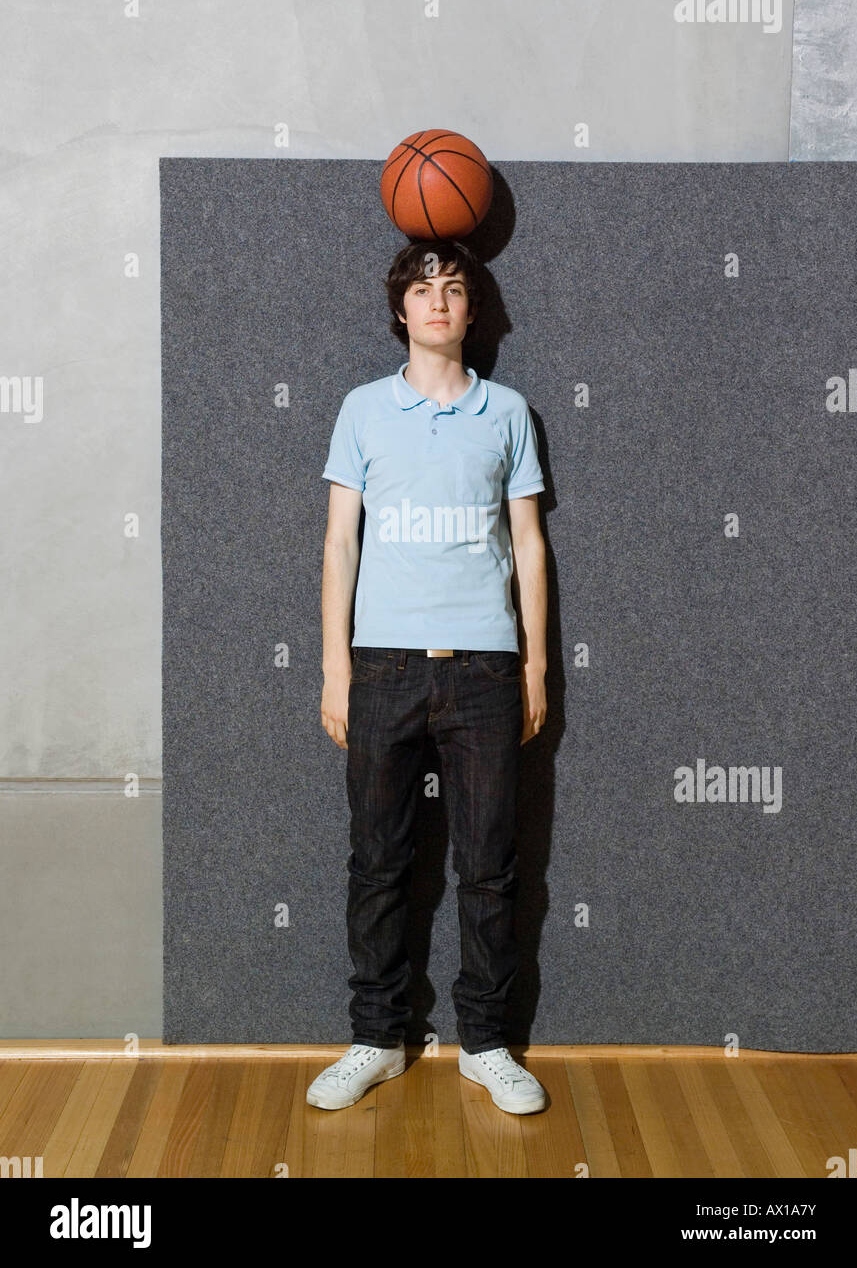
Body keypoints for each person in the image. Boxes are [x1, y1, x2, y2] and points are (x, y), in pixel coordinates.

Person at [309, 239, 548, 1115]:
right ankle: (375, 1036)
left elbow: (528, 544)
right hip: (380, 668)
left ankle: (486, 1044)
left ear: (472, 310)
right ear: (401, 310)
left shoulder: (509, 413)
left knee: (489, 866)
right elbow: (340, 541)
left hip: (485, 667)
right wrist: (336, 669)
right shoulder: (362, 411)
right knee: (378, 861)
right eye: (423, 288)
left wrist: (536, 665)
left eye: (454, 287)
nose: (439, 301)